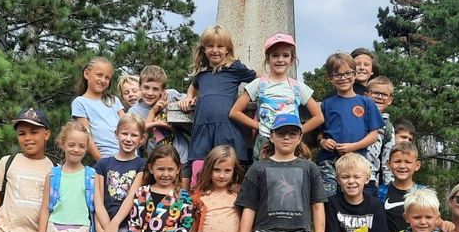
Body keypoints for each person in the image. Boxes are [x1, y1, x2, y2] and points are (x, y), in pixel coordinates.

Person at [236, 113, 327, 232]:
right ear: (271, 135)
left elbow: (318, 205)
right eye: (281, 133)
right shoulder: (258, 168)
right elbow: (249, 207)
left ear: (300, 137)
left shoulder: (309, 168)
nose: (286, 137)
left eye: (292, 133)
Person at [177, 24, 256, 184]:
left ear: (227, 49)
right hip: (203, 128)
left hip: (227, 128)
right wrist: (189, 96)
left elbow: (258, 80)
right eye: (210, 46)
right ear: (204, 49)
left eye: (220, 46)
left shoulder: (235, 68)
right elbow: (194, 85)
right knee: (199, 172)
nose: (215, 50)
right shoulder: (202, 73)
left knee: (229, 172)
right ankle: (198, 204)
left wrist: (247, 97)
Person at [229, 32, 323, 159]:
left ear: (292, 59)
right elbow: (234, 112)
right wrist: (259, 126)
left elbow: (318, 117)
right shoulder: (259, 84)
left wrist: (298, 132)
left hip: (290, 143)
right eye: (275, 55)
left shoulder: (298, 87)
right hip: (265, 142)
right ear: (268, 58)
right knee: (262, 176)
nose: (280, 60)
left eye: (285, 55)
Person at [314, 52, 384, 198]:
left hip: (357, 159)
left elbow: (373, 135)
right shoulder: (326, 104)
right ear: (330, 79)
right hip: (329, 159)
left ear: (354, 74)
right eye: (337, 75)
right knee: (329, 197)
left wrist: (353, 147)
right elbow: (320, 132)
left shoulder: (366, 102)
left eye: (347, 73)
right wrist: (323, 141)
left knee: (355, 196)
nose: (343, 78)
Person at [94, 114, 147, 232]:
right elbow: (98, 200)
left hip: (130, 230)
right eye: (125, 134)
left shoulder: (141, 164)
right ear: (116, 134)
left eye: (134, 135)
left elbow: (132, 197)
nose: (128, 139)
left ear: (142, 139)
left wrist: (114, 225)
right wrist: (105, 229)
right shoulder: (103, 163)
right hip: (106, 231)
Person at [37, 121, 97, 232]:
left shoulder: (92, 176)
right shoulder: (52, 175)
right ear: (62, 144)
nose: (76, 150)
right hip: (54, 231)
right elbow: (45, 210)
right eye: (71, 145)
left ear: (87, 148)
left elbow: (97, 209)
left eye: (81, 146)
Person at [128, 64, 190, 187]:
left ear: (163, 90)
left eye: (155, 89)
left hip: (181, 156)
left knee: (182, 195)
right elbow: (136, 135)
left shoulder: (170, 95)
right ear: (139, 87)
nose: (150, 93)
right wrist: (156, 118)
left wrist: (183, 103)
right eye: (146, 88)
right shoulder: (134, 111)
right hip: (156, 163)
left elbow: (191, 99)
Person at [71, 56, 125, 161]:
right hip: (107, 157)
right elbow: (86, 135)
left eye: (107, 78)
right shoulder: (80, 102)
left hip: (128, 154)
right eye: (99, 75)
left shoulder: (114, 100)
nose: (103, 80)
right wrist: (101, 161)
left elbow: (128, 124)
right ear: (86, 74)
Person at [378, 141, 423, 232]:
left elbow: (433, 220)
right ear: (388, 164)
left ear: (417, 166)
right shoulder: (380, 193)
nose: (402, 166)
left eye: (408, 162)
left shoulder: (424, 193)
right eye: (397, 161)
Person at [365, 75, 395, 189]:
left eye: (384, 95)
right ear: (366, 94)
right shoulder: (355, 118)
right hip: (347, 176)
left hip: (371, 179)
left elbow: (387, 161)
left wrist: (389, 189)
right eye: (375, 93)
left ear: (390, 100)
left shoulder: (387, 127)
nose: (379, 97)